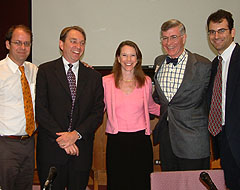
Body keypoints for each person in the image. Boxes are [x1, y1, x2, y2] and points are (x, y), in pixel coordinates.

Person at [35, 26, 104, 190]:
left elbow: (97, 113)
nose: (78, 47)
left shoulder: (93, 76)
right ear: (61, 44)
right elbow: (41, 109)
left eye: (82, 43)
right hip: (52, 150)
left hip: (80, 152)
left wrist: (75, 135)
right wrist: (63, 139)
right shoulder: (45, 71)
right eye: (73, 41)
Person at [152, 19, 212, 171]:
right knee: (170, 184)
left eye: (173, 37)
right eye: (165, 38)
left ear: (183, 38)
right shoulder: (159, 62)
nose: (168, 42)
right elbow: (161, 99)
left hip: (193, 142)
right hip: (167, 141)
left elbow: (210, 101)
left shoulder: (203, 65)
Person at [103, 40, 160, 190]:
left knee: (141, 183)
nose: (128, 60)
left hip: (141, 141)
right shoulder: (106, 82)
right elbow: (98, 109)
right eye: (124, 55)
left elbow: (151, 107)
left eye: (132, 55)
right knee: (117, 183)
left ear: (138, 59)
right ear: (118, 58)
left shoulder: (146, 81)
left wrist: (175, 112)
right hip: (117, 141)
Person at [0, 25, 38, 190]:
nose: (23, 48)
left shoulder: (34, 70)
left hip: (29, 143)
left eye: (27, 43)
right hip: (5, 144)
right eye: (18, 43)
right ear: (8, 44)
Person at [207, 9, 240, 189]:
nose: (216, 36)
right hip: (224, 139)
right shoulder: (215, 65)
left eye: (221, 30)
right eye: (212, 32)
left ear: (232, 32)